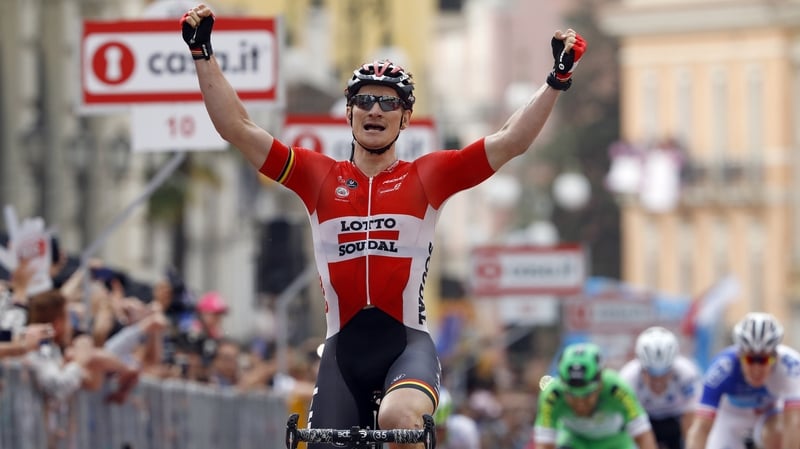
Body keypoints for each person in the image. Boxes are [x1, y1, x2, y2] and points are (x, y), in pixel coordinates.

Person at [180, 4, 586, 447]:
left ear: (405, 117)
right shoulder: (318, 176)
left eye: (389, 102)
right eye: (365, 101)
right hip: (342, 352)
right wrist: (203, 54)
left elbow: (510, 140)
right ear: (349, 113)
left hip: (406, 345)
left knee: (397, 418)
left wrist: (556, 81)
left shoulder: (428, 175)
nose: (375, 110)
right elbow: (237, 127)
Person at [685, 312, 800, 449]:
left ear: (775, 357)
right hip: (729, 420)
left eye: (763, 360)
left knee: (779, 431)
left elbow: (794, 422)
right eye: (750, 359)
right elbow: (700, 428)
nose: (756, 369)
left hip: (769, 416)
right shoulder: (722, 368)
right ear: (739, 355)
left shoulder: (790, 365)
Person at [534, 342, 658, 449]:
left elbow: (643, 435)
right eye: (572, 396)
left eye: (587, 396)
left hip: (615, 444)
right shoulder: (552, 395)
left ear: (599, 385)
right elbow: (544, 443)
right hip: (575, 442)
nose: (580, 404)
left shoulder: (616, 389)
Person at [619, 326, 701, 449]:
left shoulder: (687, 373)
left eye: (664, 373)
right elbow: (628, 423)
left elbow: (691, 419)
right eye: (651, 373)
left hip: (675, 421)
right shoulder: (628, 378)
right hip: (643, 420)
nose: (658, 380)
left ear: (673, 366)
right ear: (641, 367)